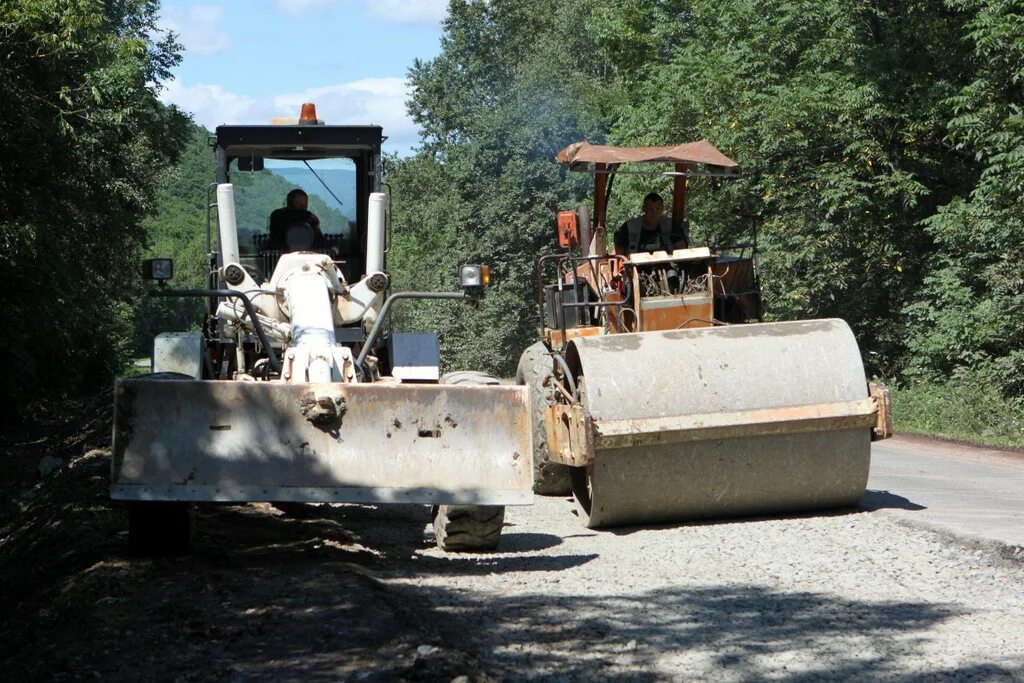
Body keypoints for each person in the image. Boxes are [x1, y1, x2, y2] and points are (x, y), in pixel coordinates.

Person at [613, 192, 687, 255]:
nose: (654, 213)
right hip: (635, 267)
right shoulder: (629, 227)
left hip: (666, 266)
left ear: (662, 209)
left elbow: (681, 249)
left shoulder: (672, 225)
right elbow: (619, 251)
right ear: (643, 209)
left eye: (658, 209)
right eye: (650, 209)